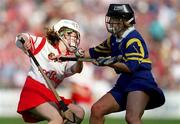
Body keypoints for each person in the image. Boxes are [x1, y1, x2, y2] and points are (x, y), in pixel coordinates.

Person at [84, 4, 165, 124]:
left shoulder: (133, 39)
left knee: (132, 118)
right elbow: (93, 53)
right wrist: (71, 54)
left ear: (125, 21)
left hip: (140, 80)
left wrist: (109, 62)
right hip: (125, 81)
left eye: (115, 18)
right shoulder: (114, 38)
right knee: (97, 109)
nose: (111, 22)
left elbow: (131, 67)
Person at [15, 19, 85, 124]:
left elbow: (77, 69)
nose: (73, 39)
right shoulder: (43, 44)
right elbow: (21, 37)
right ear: (59, 33)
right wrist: (25, 40)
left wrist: (79, 59)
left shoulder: (68, 59)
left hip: (50, 94)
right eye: (70, 34)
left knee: (79, 112)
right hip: (33, 90)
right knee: (56, 119)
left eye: (75, 36)